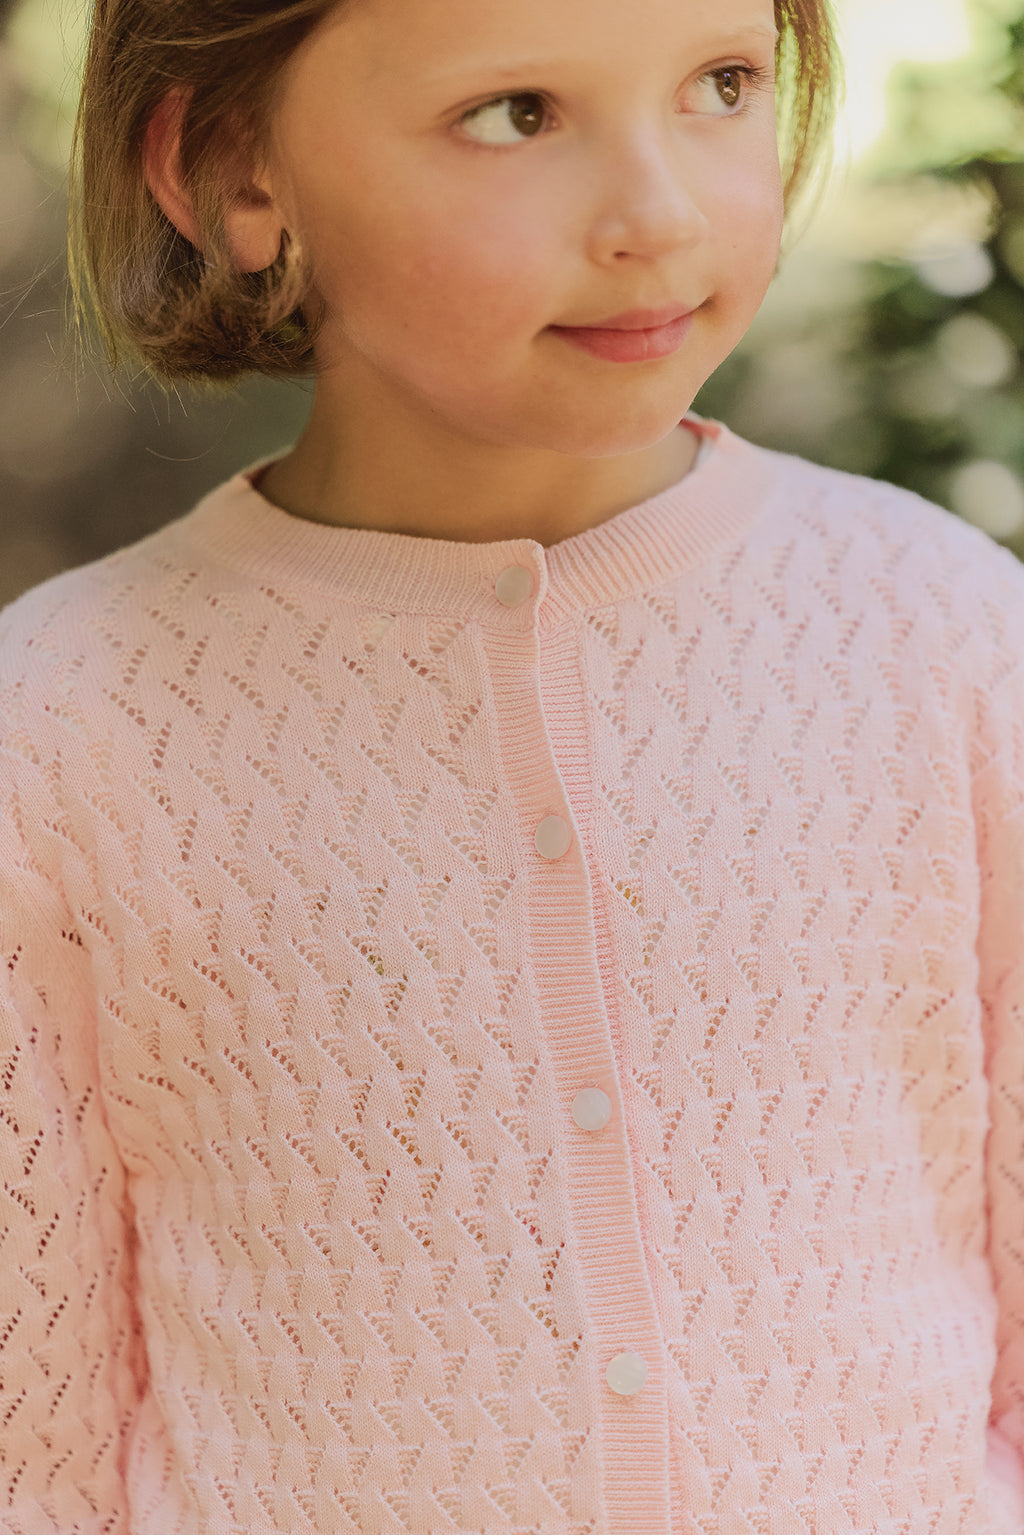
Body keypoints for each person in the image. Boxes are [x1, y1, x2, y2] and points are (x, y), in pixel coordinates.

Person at [2, 0, 1024, 1528]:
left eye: (721, 83)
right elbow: (37, 1454)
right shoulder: (66, 730)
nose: (658, 215)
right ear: (232, 170)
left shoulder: (943, 636)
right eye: (516, 113)